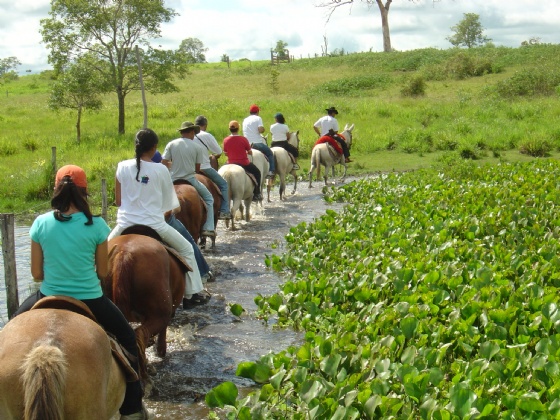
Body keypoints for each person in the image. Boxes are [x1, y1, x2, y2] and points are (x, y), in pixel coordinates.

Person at [14, 165, 148, 420]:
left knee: (9, 333)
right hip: (90, 298)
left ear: (56, 190)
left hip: (46, 294)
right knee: (128, 338)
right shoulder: (96, 225)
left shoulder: (40, 223)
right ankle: (132, 408)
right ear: (85, 191)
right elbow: (103, 273)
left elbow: (36, 274)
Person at [108, 128, 210, 309]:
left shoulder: (122, 166)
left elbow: (117, 201)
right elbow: (171, 206)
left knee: (98, 256)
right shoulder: (161, 169)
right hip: (155, 225)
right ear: (154, 147)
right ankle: (191, 294)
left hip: (124, 225)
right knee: (187, 249)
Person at [151, 150, 214, 283]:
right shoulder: (162, 173)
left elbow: (119, 202)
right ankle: (201, 277)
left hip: (128, 221)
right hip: (158, 221)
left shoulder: (125, 168)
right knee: (189, 247)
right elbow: (172, 209)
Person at [162, 121, 216, 239]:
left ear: (182, 132)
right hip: (190, 179)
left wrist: (175, 166)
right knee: (209, 198)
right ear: (191, 132)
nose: (194, 135)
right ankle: (209, 227)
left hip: (172, 180)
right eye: (193, 133)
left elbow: (164, 162)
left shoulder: (171, 144)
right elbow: (197, 169)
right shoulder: (197, 147)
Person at [193, 115, 232, 220]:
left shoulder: (187, 136)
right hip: (204, 168)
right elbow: (218, 152)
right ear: (205, 125)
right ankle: (224, 211)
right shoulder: (206, 135)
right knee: (224, 184)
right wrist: (213, 156)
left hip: (189, 169)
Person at [223, 120, 262, 202]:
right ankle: (257, 193)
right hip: (243, 163)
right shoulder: (243, 139)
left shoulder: (226, 140)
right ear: (238, 128)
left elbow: (225, 153)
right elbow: (250, 151)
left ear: (229, 129)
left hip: (230, 163)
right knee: (257, 172)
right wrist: (248, 152)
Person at [242, 104, 275, 177]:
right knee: (269, 153)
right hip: (256, 143)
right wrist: (263, 129)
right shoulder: (258, 118)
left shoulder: (245, 120)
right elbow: (260, 130)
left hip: (246, 144)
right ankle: (271, 171)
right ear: (257, 112)